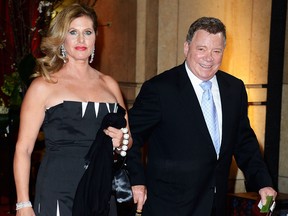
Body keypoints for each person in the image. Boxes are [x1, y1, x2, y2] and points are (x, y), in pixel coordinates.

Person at [127, 17, 277, 215]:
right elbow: (130, 136)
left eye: (217, 51)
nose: (209, 58)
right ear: (187, 48)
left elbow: (244, 142)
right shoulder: (160, 89)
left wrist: (263, 182)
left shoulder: (234, 89)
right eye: (201, 49)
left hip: (215, 206)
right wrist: (137, 180)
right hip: (169, 207)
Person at [13, 3, 132, 216]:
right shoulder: (43, 85)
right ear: (62, 38)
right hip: (57, 190)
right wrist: (23, 203)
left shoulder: (110, 85)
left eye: (87, 32)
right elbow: (24, 149)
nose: (81, 40)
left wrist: (119, 141)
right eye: (73, 32)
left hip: (101, 188)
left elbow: (128, 140)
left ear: (96, 37)